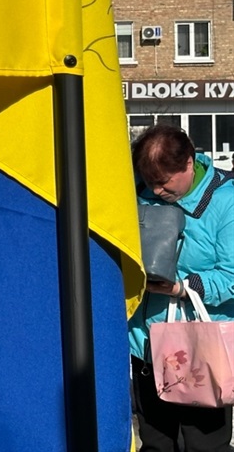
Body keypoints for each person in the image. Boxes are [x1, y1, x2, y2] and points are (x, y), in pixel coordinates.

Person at [129, 124, 234, 452]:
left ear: (189, 163)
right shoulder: (136, 191)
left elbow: (231, 275)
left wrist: (182, 289)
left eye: (163, 182)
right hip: (145, 344)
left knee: (205, 446)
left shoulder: (227, 201)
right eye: (149, 182)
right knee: (156, 443)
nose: (156, 191)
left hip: (202, 347)